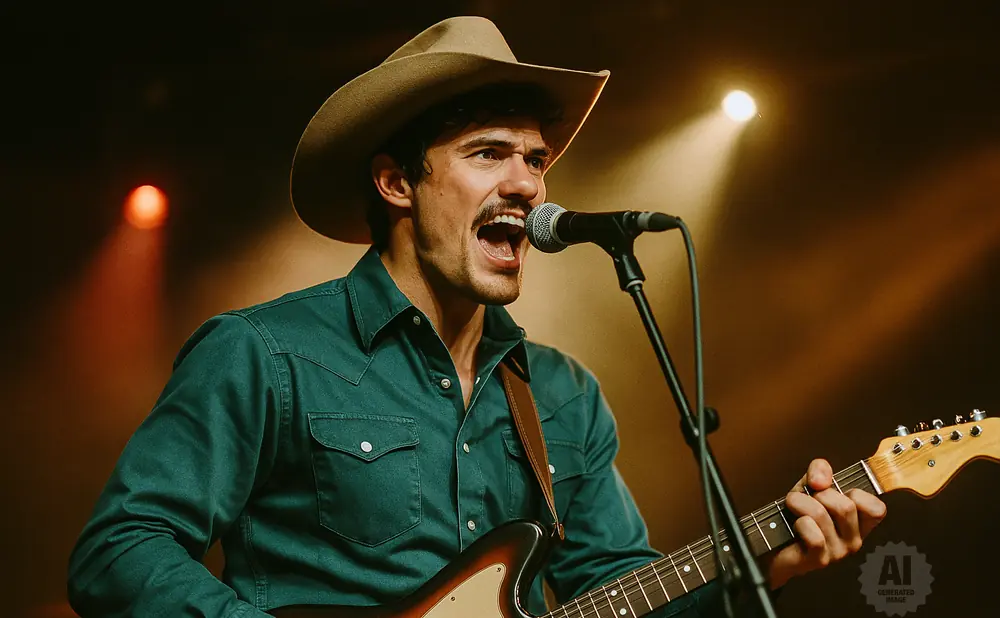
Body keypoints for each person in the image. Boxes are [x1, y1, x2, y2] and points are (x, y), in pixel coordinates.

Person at [67, 16, 886, 618]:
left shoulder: (561, 397)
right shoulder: (265, 353)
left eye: (535, 159)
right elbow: (119, 550)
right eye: (489, 153)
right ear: (396, 183)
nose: (530, 185)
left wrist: (767, 561)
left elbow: (622, 595)